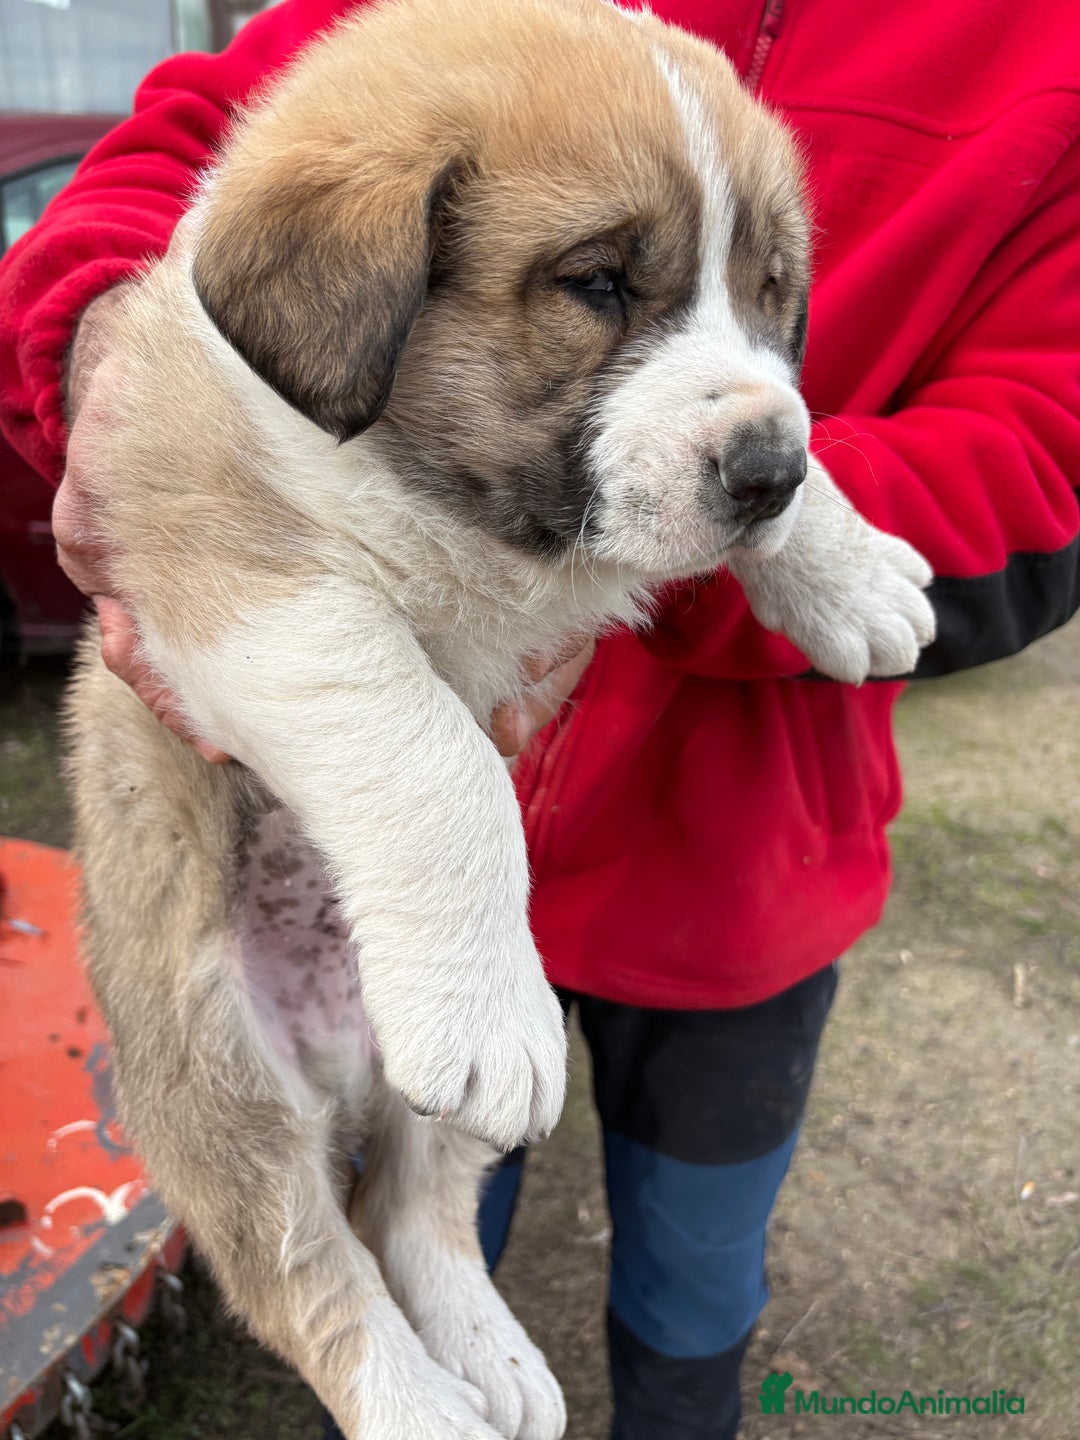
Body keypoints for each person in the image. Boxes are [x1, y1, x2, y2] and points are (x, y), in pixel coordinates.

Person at [1, 1, 1078, 1436]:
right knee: (259, 1098)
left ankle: (507, 1309)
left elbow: (1037, 462)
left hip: (738, 864)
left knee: (678, 1275)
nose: (752, 364)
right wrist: (99, 353)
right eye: (602, 284)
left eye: (770, 296)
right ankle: (364, 1350)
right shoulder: (444, 73)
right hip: (364, 838)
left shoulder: (1046, 55)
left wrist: (785, 523)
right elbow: (212, 161)